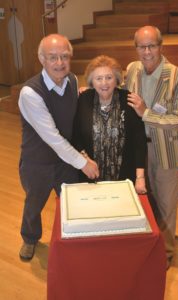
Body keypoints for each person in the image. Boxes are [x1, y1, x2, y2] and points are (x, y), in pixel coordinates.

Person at [18, 34, 99, 261]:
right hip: (37, 162)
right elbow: (53, 138)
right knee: (34, 205)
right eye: (53, 57)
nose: (60, 63)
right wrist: (84, 163)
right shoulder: (30, 93)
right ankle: (29, 238)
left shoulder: (72, 80)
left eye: (64, 56)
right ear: (41, 59)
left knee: (72, 200)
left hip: (65, 160)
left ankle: (72, 238)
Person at [126, 26, 178, 268]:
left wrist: (146, 113)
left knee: (165, 205)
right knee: (143, 200)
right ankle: (147, 245)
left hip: (166, 150)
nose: (146, 52)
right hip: (138, 150)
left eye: (151, 45)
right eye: (141, 47)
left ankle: (166, 253)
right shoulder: (132, 69)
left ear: (161, 46)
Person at [73, 55, 147, 193]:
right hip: (90, 176)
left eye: (109, 77)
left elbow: (139, 141)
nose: (104, 83)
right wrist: (85, 160)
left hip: (124, 177)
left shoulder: (128, 100)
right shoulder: (83, 100)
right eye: (98, 78)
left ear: (117, 79)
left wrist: (140, 177)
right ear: (92, 82)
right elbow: (75, 136)